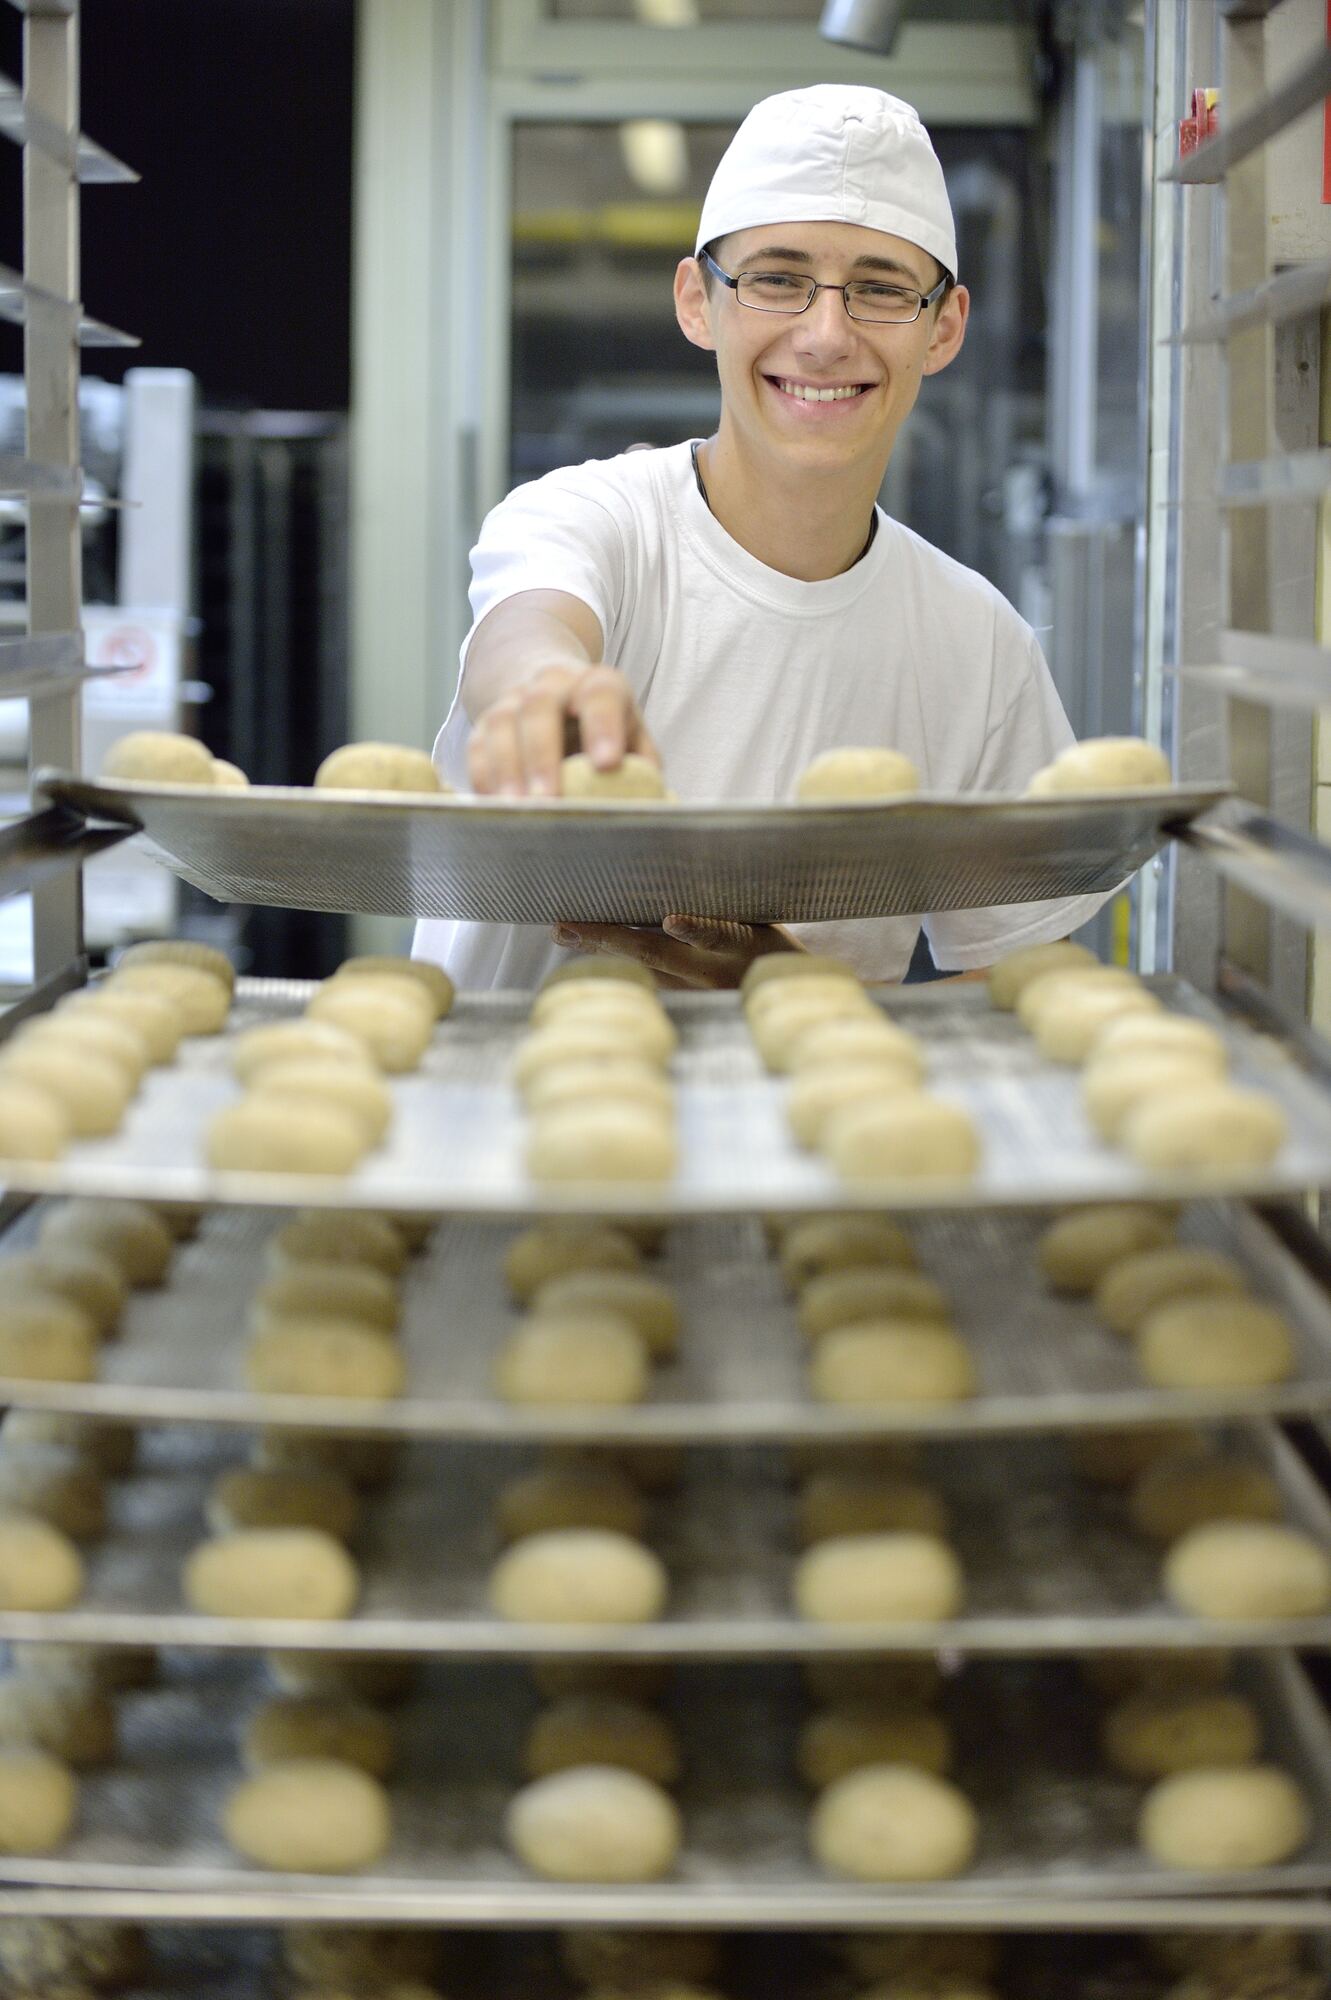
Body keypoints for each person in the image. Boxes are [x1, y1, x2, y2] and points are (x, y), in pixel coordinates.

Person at [413, 84, 1109, 991]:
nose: (825, 336)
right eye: (776, 279)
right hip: (509, 1111)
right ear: (696, 303)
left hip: (812, 1129)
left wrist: (783, 983)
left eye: (880, 289)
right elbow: (527, 626)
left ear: (943, 329)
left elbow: (1017, 985)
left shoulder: (977, 646)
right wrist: (549, 687)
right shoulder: (594, 523)